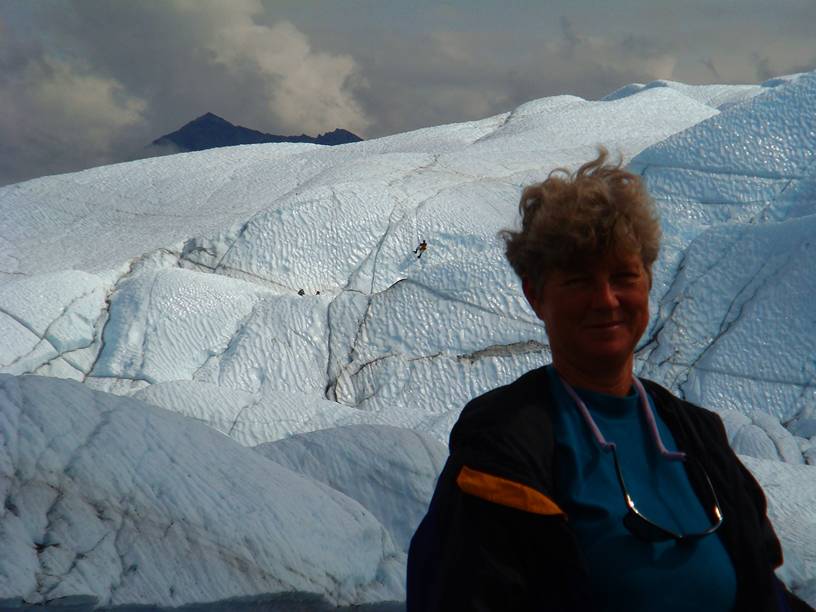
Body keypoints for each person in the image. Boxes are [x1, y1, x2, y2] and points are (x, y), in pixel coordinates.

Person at [406, 149, 813, 612]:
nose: (606, 299)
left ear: (648, 282)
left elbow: (763, 591)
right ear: (536, 296)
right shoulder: (503, 449)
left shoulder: (698, 436)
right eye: (579, 280)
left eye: (623, 276)